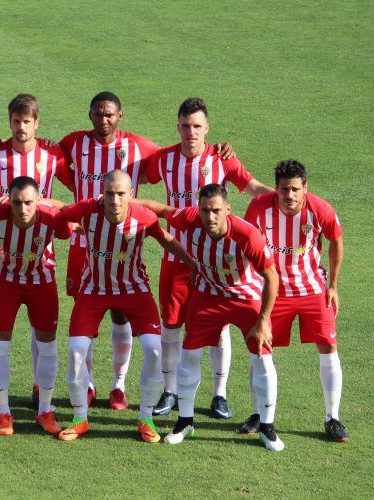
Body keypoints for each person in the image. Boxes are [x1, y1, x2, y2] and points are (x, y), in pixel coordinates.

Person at [57, 92, 236, 411]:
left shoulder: (139, 146)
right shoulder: (74, 142)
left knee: (120, 314)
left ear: (120, 116)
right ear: (90, 114)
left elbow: (180, 151)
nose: (104, 120)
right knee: (87, 321)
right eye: (98, 113)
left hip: (125, 243)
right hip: (83, 246)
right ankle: (88, 383)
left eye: (110, 114)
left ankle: (119, 386)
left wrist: (217, 148)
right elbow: (46, 155)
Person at [145, 97, 272, 419]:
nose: (191, 132)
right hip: (177, 255)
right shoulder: (163, 158)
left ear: (207, 129)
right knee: (171, 324)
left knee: (219, 326)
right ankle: (170, 391)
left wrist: (286, 199)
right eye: (186, 126)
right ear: (177, 127)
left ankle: (219, 394)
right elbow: (135, 176)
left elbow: (252, 187)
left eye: (197, 126)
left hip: (216, 260)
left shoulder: (222, 158)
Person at [57, 170, 195, 443]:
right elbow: (59, 212)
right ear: (102, 194)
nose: (115, 200)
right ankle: (79, 418)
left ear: (131, 194)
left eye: (121, 194)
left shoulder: (144, 217)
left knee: (154, 350)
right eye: (109, 193)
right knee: (75, 352)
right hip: (93, 289)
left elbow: (165, 239)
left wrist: (194, 266)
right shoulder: (87, 210)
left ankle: (146, 418)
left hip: (134, 289)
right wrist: (35, 204)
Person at [160, 184, 284, 452]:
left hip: (245, 298)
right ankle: (184, 422)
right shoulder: (190, 220)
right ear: (198, 209)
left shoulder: (247, 235)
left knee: (262, 357)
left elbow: (272, 277)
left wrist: (263, 320)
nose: (210, 216)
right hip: (207, 296)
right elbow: (161, 209)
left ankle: (267, 426)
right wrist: (126, 202)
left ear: (228, 209)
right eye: (205, 210)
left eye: (216, 210)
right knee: (189, 356)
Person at [0, 93, 72, 410]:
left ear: (36, 123)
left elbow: (77, 185)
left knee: (41, 327)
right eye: (16, 121)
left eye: (26, 121)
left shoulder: (52, 155)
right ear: (10, 121)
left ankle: (39, 387)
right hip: (0, 255)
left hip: (41, 253)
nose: (21, 128)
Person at [243, 159, 348, 441]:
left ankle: (333, 417)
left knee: (328, 346)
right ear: (275, 189)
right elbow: (246, 241)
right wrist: (250, 283)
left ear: (305, 188)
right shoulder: (259, 207)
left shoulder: (320, 209)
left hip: (312, 288)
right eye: (284, 189)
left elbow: (336, 240)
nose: (289, 195)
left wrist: (333, 286)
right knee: (260, 349)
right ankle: (257, 414)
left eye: (294, 189)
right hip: (273, 291)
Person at [0, 176, 72, 436]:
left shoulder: (52, 216)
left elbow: (71, 224)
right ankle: (3, 412)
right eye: (17, 202)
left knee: (48, 344)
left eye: (29, 202)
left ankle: (45, 410)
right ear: (8, 200)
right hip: (4, 281)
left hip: (41, 280)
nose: (23, 208)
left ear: (39, 200)